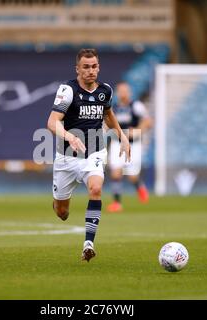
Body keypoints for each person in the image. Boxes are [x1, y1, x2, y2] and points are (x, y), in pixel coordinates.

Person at [47, 48, 130, 262]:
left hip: (94, 154)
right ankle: (58, 202)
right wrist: (69, 136)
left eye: (94, 66)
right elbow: (52, 122)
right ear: (78, 69)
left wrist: (122, 136)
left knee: (96, 188)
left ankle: (88, 244)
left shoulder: (106, 91)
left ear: (98, 67)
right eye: (86, 67)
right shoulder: (68, 90)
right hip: (66, 158)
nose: (91, 71)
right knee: (62, 213)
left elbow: (108, 115)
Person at [106, 82, 152, 213]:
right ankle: (116, 203)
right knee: (115, 171)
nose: (123, 93)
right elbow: (109, 124)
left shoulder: (136, 106)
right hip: (117, 143)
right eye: (121, 91)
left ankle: (139, 187)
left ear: (129, 92)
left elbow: (148, 121)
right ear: (117, 93)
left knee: (131, 175)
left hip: (133, 144)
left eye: (125, 91)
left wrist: (138, 130)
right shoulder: (113, 108)